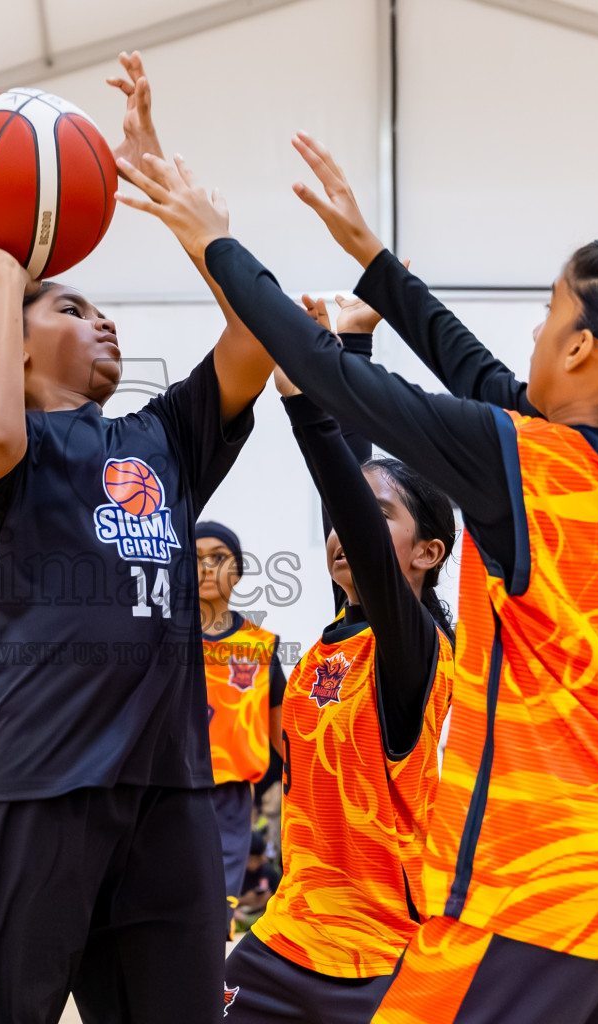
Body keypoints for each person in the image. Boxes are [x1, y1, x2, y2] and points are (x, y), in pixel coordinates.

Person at [130, 138, 598, 1024]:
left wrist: (213, 243)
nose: (535, 333)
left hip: (537, 897)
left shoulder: (527, 462)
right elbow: (480, 375)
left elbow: (330, 373)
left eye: (549, 314)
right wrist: (374, 260)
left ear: (582, 349)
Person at [0, 53, 273, 1024]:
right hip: (34, 780)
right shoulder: (14, 447)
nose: (102, 318)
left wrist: (197, 225)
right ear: (17, 349)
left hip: (167, 793)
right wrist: (3, 274)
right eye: (70, 308)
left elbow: (256, 341)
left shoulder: (164, 438)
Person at [219, 340, 458, 1022]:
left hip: (378, 953)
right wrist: (348, 347)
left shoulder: (413, 648)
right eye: (343, 518)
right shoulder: (342, 632)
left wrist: (306, 403)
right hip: (290, 931)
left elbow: (351, 509)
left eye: (376, 515)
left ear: (427, 552)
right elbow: (348, 495)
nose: (342, 529)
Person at [198, 519, 284, 929]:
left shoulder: (260, 647)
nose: (205, 567)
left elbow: (284, 735)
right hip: (162, 791)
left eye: (218, 557)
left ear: (238, 571)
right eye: (194, 558)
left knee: (217, 908)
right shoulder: (159, 639)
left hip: (230, 798)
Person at [234, 832, 279, 929]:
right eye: (250, 860)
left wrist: (269, 899)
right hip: (239, 919)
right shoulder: (235, 874)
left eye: (258, 859)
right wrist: (242, 900)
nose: (254, 864)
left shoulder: (268, 872)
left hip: (264, 920)